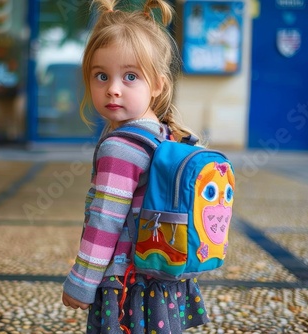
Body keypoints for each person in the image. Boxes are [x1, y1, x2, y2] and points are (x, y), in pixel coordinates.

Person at [62, 0, 209, 332]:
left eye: (130, 76)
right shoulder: (168, 134)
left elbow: (106, 219)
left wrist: (82, 281)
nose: (113, 89)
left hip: (128, 280)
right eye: (101, 76)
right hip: (162, 278)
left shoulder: (121, 146)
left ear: (157, 85)